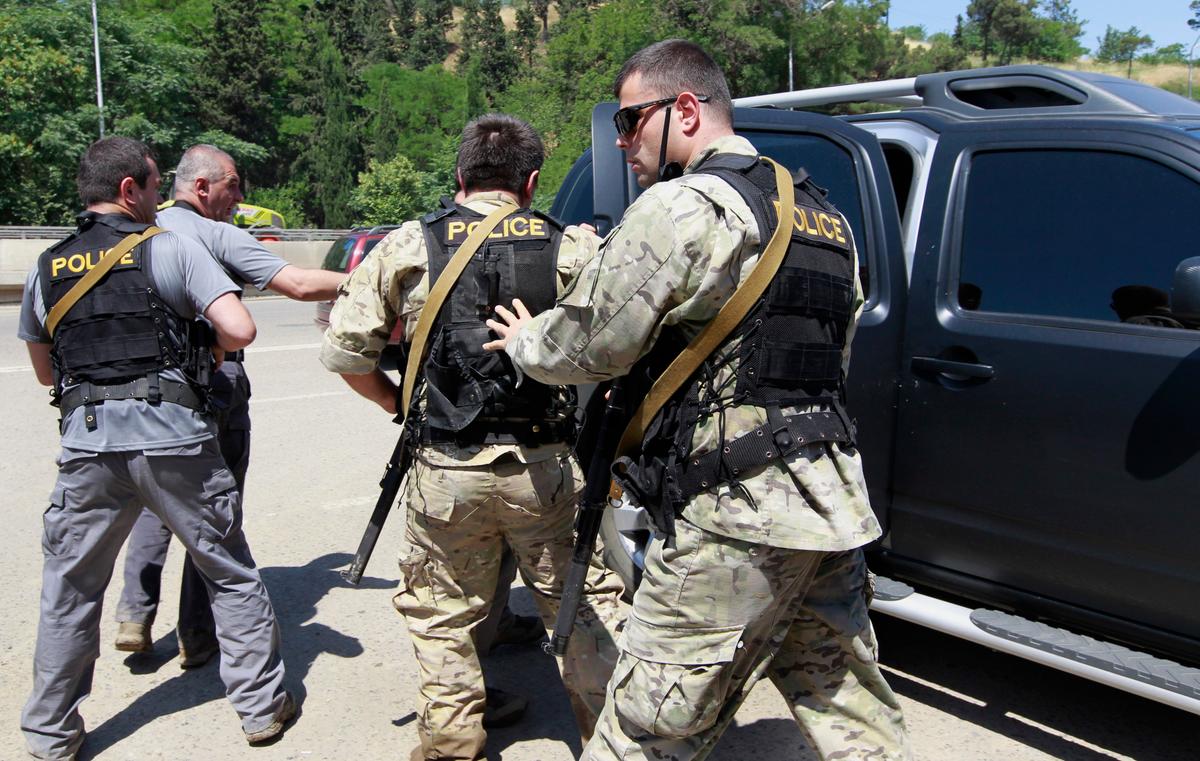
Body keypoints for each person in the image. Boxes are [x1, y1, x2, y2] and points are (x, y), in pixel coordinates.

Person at [485, 40, 912, 760]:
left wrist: (528, 339)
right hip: (830, 509)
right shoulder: (826, 220)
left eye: (629, 121)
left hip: (733, 519)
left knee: (644, 732)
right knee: (854, 719)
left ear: (684, 109)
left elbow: (588, 343)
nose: (622, 143)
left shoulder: (685, 208)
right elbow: (828, 362)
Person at [320, 114, 624, 761]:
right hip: (543, 468)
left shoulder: (410, 243)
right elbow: (625, 350)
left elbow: (346, 350)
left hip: (444, 467)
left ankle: (454, 743)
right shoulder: (569, 246)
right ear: (533, 182)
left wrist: (394, 403)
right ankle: (617, 743)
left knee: (441, 615)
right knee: (583, 606)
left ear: (459, 176)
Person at [17, 136, 293, 761]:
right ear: (128, 190)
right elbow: (240, 329)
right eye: (150, 184)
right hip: (175, 441)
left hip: (87, 447)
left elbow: (43, 373)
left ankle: (50, 734)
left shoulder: (48, 266)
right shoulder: (167, 248)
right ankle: (261, 708)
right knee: (229, 574)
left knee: (70, 590)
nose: (156, 197)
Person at [112, 144, 345, 668]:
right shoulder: (212, 234)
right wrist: (366, 279)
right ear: (201, 188)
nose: (240, 197)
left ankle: (135, 613)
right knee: (211, 514)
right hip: (211, 385)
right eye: (233, 185)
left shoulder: (130, 232)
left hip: (140, 392)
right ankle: (197, 636)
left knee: (156, 501)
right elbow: (299, 283)